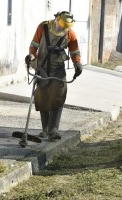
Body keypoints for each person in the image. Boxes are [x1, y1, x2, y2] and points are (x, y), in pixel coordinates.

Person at [26, 11, 83, 141]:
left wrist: (77, 64)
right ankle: (45, 129)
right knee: (42, 97)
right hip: (42, 69)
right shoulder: (43, 27)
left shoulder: (70, 34)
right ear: (57, 19)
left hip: (58, 70)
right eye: (62, 24)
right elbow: (33, 46)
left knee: (58, 97)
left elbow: (74, 51)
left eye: (66, 26)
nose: (63, 27)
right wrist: (31, 57)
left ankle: (54, 130)